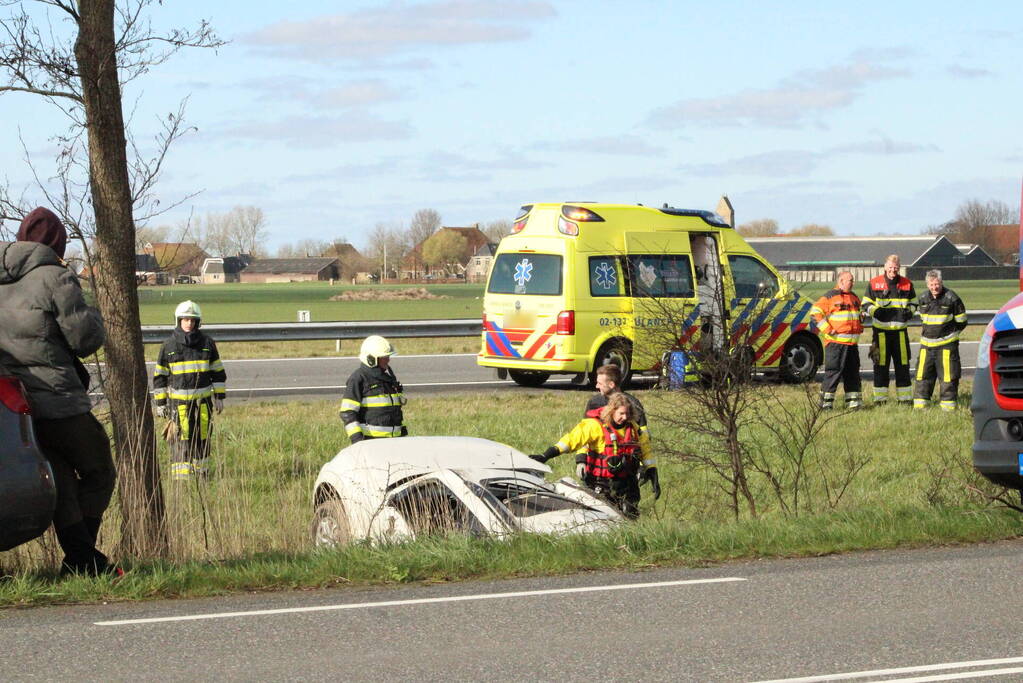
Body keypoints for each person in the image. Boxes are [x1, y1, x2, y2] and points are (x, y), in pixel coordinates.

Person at [0, 207, 117, 575]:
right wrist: (95, 313)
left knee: (62, 478)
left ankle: (82, 562)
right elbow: (85, 340)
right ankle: (82, 558)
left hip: (15, 408)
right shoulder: (56, 278)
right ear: (57, 243)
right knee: (100, 470)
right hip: (57, 398)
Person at [530, 393, 659, 519]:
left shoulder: (634, 428)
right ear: (611, 411)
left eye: (628, 414)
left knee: (631, 516)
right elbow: (570, 441)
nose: (625, 417)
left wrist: (652, 471)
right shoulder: (594, 426)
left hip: (628, 483)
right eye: (621, 413)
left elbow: (646, 449)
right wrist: (545, 456)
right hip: (601, 483)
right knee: (604, 518)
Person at [152, 300, 226, 479]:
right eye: (185, 320)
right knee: (180, 439)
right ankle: (182, 479)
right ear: (178, 321)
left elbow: (217, 371)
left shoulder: (207, 343)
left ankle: (203, 475)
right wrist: (160, 404)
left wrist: (219, 397)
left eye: (192, 320)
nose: (189, 323)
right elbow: (160, 376)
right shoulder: (168, 345)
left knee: (202, 438)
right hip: (178, 406)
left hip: (203, 405)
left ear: (198, 322)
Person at [862, 254, 916, 405]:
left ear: (900, 268)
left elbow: (914, 303)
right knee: (880, 367)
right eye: (891, 267)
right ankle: (880, 401)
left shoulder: (907, 283)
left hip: (900, 334)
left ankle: (905, 401)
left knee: (903, 367)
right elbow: (865, 304)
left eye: (896, 268)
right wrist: (875, 311)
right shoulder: (874, 283)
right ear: (885, 267)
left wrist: (910, 312)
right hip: (880, 334)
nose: (893, 270)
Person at [580, 363, 648, 479]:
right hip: (597, 470)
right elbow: (584, 435)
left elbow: (642, 438)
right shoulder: (594, 403)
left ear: (611, 384)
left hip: (626, 472)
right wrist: (581, 460)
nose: (596, 386)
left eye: (600, 383)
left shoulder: (632, 404)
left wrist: (644, 467)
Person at [914, 270, 967, 411]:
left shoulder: (952, 298)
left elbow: (962, 321)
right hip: (926, 346)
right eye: (931, 284)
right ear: (927, 284)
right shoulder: (923, 298)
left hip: (946, 346)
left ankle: (948, 408)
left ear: (941, 283)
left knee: (948, 377)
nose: (934, 287)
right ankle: (920, 407)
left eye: (937, 284)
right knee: (922, 376)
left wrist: (949, 335)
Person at [811, 270, 864, 410]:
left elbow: (859, 315)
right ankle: (825, 406)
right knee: (833, 373)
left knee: (853, 374)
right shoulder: (830, 296)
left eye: (853, 280)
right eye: (850, 280)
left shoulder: (854, 297)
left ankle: (854, 405)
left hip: (852, 345)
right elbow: (815, 312)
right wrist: (828, 329)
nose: (853, 283)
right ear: (841, 281)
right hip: (836, 344)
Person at [340, 335, 407, 443]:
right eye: (384, 357)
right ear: (371, 359)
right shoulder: (358, 378)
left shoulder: (388, 377)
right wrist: (358, 441)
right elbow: (347, 413)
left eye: (388, 356)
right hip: (371, 442)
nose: (388, 360)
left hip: (395, 441)